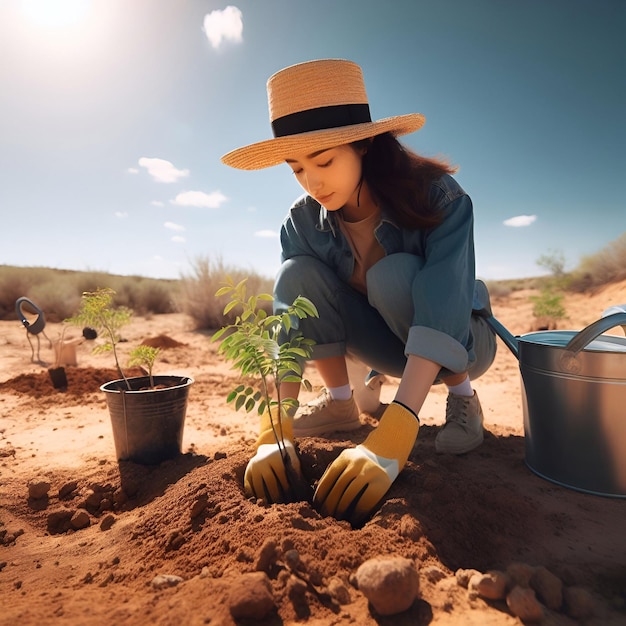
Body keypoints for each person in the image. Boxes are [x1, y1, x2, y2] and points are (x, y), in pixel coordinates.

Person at [221, 59, 497, 525]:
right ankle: (341, 403)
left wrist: (398, 427)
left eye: (324, 160)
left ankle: (463, 400)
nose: (312, 182)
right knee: (295, 275)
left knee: (392, 277)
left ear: (364, 142)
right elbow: (294, 313)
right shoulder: (302, 222)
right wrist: (276, 427)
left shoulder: (439, 196)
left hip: (464, 343)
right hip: (388, 349)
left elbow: (444, 302)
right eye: (296, 168)